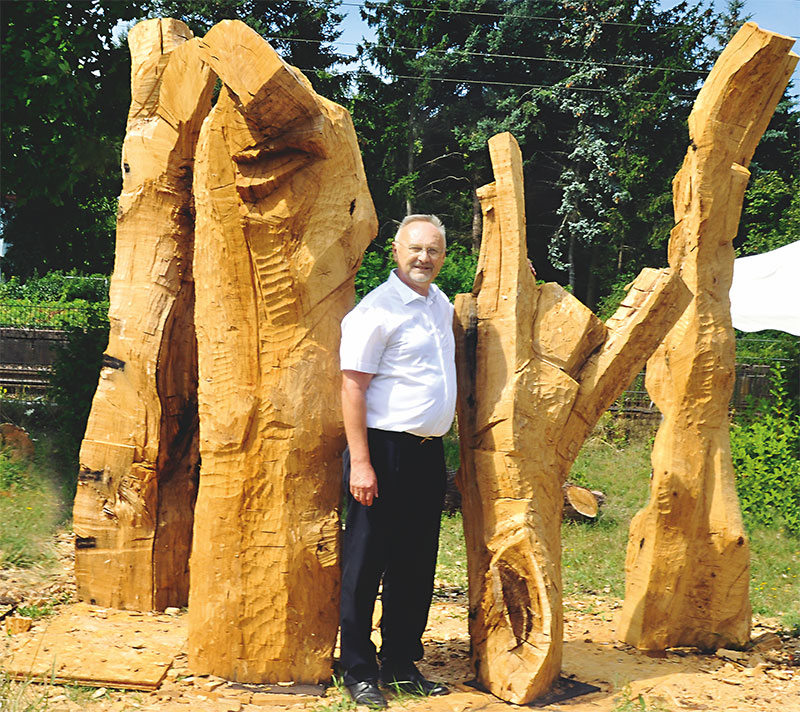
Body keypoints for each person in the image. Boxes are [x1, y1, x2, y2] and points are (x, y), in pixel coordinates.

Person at [338, 214, 457, 709]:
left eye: (432, 250)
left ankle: (403, 663)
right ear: (395, 250)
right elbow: (351, 388)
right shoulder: (376, 311)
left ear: (443, 256)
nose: (423, 258)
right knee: (366, 564)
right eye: (415, 249)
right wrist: (361, 464)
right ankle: (359, 669)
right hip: (383, 452)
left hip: (428, 455)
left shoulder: (440, 305)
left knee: (414, 564)